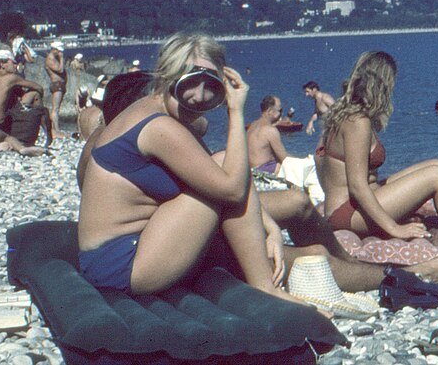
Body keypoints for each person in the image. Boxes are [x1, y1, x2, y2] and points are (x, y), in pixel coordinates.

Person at [75, 71, 438, 291]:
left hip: (165, 234)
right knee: (301, 260)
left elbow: (207, 188)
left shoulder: (122, 142)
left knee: (298, 203)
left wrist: (261, 222)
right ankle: (413, 276)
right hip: (148, 251)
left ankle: (352, 261)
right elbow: (224, 189)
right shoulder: (149, 133)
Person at [76, 32, 298, 301]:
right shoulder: (160, 127)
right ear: (168, 76)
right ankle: (266, 289)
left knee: (221, 163)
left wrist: (272, 228)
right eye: (191, 82)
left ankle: (267, 279)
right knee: (227, 171)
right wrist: (236, 112)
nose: (200, 96)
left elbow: (218, 174)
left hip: (113, 257)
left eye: (212, 86)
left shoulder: (155, 110)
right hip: (122, 265)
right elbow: (233, 190)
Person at [314, 51, 438, 270]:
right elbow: (358, 187)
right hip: (348, 214)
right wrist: (394, 228)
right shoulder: (357, 122)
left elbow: (322, 163)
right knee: (437, 176)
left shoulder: (342, 113)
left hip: (346, 207)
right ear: (382, 85)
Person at [0, 50, 49, 153]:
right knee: (35, 94)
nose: (16, 65)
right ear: (3, 64)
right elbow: (39, 88)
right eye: (13, 62)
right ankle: (47, 133)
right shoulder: (10, 78)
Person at [247, 95, 288, 174]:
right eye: (280, 110)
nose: (281, 113)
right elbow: (284, 158)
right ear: (270, 111)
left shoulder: (253, 125)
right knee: (289, 165)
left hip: (250, 168)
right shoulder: (270, 130)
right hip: (262, 170)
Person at [45, 41, 67, 139]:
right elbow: (60, 70)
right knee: (55, 108)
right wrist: (62, 58)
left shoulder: (54, 58)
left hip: (60, 84)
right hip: (56, 84)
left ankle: (56, 129)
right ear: (54, 50)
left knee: (57, 108)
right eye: (58, 51)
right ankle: (55, 130)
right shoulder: (50, 59)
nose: (60, 53)